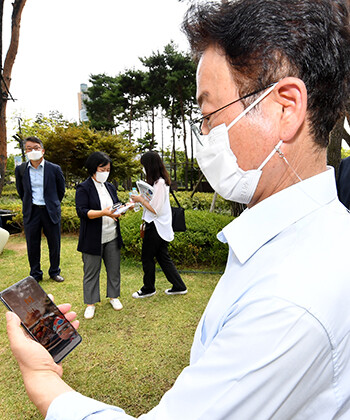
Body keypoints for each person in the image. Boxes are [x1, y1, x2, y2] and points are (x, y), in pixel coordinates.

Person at [6, 0, 350, 418]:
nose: (204, 135)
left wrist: (42, 378)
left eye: (208, 114)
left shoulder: (289, 301)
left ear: (285, 107)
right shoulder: (321, 237)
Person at [130, 151, 187, 298]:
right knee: (162, 257)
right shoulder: (156, 183)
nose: (143, 169)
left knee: (147, 258)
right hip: (157, 225)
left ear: (149, 166)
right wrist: (139, 200)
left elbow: (155, 210)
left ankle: (148, 288)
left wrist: (141, 200)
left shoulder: (160, 183)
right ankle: (179, 286)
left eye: (144, 166)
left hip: (156, 225)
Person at [75, 152, 124, 319]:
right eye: (102, 168)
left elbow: (115, 205)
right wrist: (103, 213)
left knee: (114, 268)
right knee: (91, 271)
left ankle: (113, 296)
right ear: (93, 168)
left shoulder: (109, 186)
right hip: (92, 238)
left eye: (108, 169)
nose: (105, 171)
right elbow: (82, 212)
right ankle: (90, 303)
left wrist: (122, 209)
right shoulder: (84, 187)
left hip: (112, 235)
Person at [15, 136, 65, 283]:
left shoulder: (54, 169)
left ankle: (55, 271)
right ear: (26, 152)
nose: (33, 151)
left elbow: (60, 190)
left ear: (42, 150)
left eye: (36, 147)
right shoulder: (21, 169)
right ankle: (35, 273)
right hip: (32, 211)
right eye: (29, 148)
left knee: (54, 243)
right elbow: (21, 191)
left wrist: (53, 203)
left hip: (50, 210)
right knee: (32, 243)